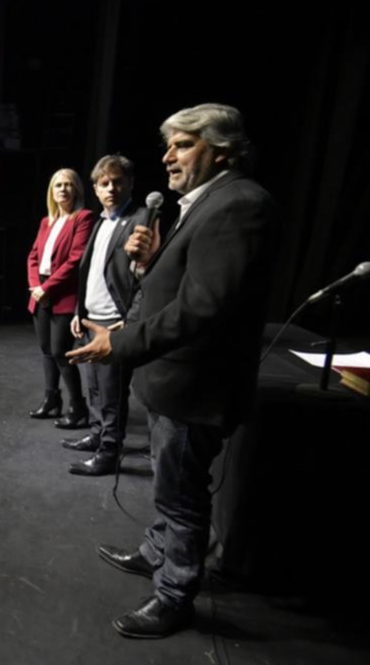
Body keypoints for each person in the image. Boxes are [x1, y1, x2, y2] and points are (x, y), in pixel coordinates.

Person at [68, 104, 276, 638]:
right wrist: (151, 261)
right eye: (170, 145)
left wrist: (122, 342)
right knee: (168, 485)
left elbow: (203, 307)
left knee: (181, 494)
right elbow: (183, 284)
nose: (168, 156)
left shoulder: (240, 204)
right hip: (172, 380)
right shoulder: (202, 205)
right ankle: (154, 552)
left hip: (195, 386)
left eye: (182, 144)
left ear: (222, 148)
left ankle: (174, 594)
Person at [65, 154, 156, 476]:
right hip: (91, 317)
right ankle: (96, 434)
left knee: (112, 393)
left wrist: (129, 320)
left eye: (118, 182)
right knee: (94, 388)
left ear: (130, 183)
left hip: (114, 323)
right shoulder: (100, 221)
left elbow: (148, 276)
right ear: (95, 188)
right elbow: (87, 270)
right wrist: (79, 311)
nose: (111, 188)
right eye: (104, 183)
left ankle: (109, 451)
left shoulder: (142, 218)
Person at [26, 169, 94, 428]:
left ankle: (78, 408)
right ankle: (52, 401)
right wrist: (35, 286)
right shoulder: (47, 222)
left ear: (76, 190)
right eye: (58, 185)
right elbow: (33, 256)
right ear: (51, 192)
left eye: (68, 185)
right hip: (40, 290)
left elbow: (76, 259)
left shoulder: (83, 218)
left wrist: (48, 288)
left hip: (63, 293)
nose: (63, 189)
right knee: (46, 350)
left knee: (60, 352)